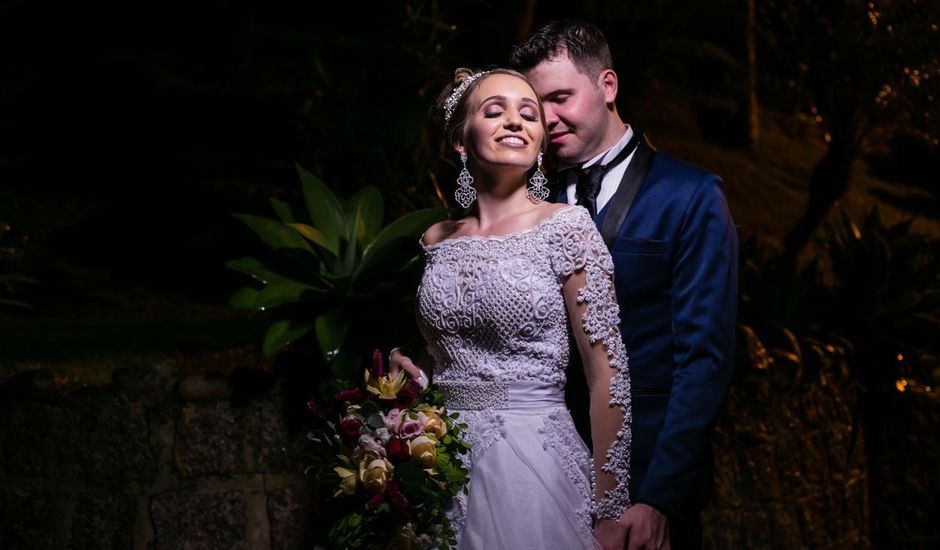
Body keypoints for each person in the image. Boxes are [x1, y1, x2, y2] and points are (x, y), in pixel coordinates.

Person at [507, 19, 740, 550]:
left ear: (607, 86)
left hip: (645, 487)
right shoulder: (521, 202)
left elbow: (705, 359)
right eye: (534, 104)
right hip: (535, 475)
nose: (546, 118)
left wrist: (659, 498)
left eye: (560, 97)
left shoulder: (693, 195)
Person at [407, 67, 634, 550]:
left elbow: (606, 374)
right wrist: (415, 377)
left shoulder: (566, 228)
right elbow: (448, 350)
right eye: (495, 111)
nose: (516, 122)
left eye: (528, 114)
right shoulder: (436, 240)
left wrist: (611, 508)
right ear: (461, 143)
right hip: (438, 459)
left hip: (531, 463)